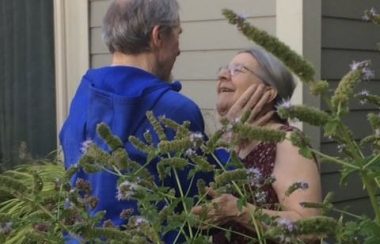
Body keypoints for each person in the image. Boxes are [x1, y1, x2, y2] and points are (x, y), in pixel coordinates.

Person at [59, 0, 231, 242]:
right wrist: (237, 131)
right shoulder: (174, 110)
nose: (179, 50)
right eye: (177, 35)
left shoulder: (84, 97)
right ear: (158, 36)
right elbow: (203, 203)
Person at [192, 46, 322, 243]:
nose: (223, 75)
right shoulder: (229, 144)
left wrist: (239, 210)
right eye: (224, 69)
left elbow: (309, 229)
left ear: (268, 92)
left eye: (238, 70)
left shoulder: (286, 142)